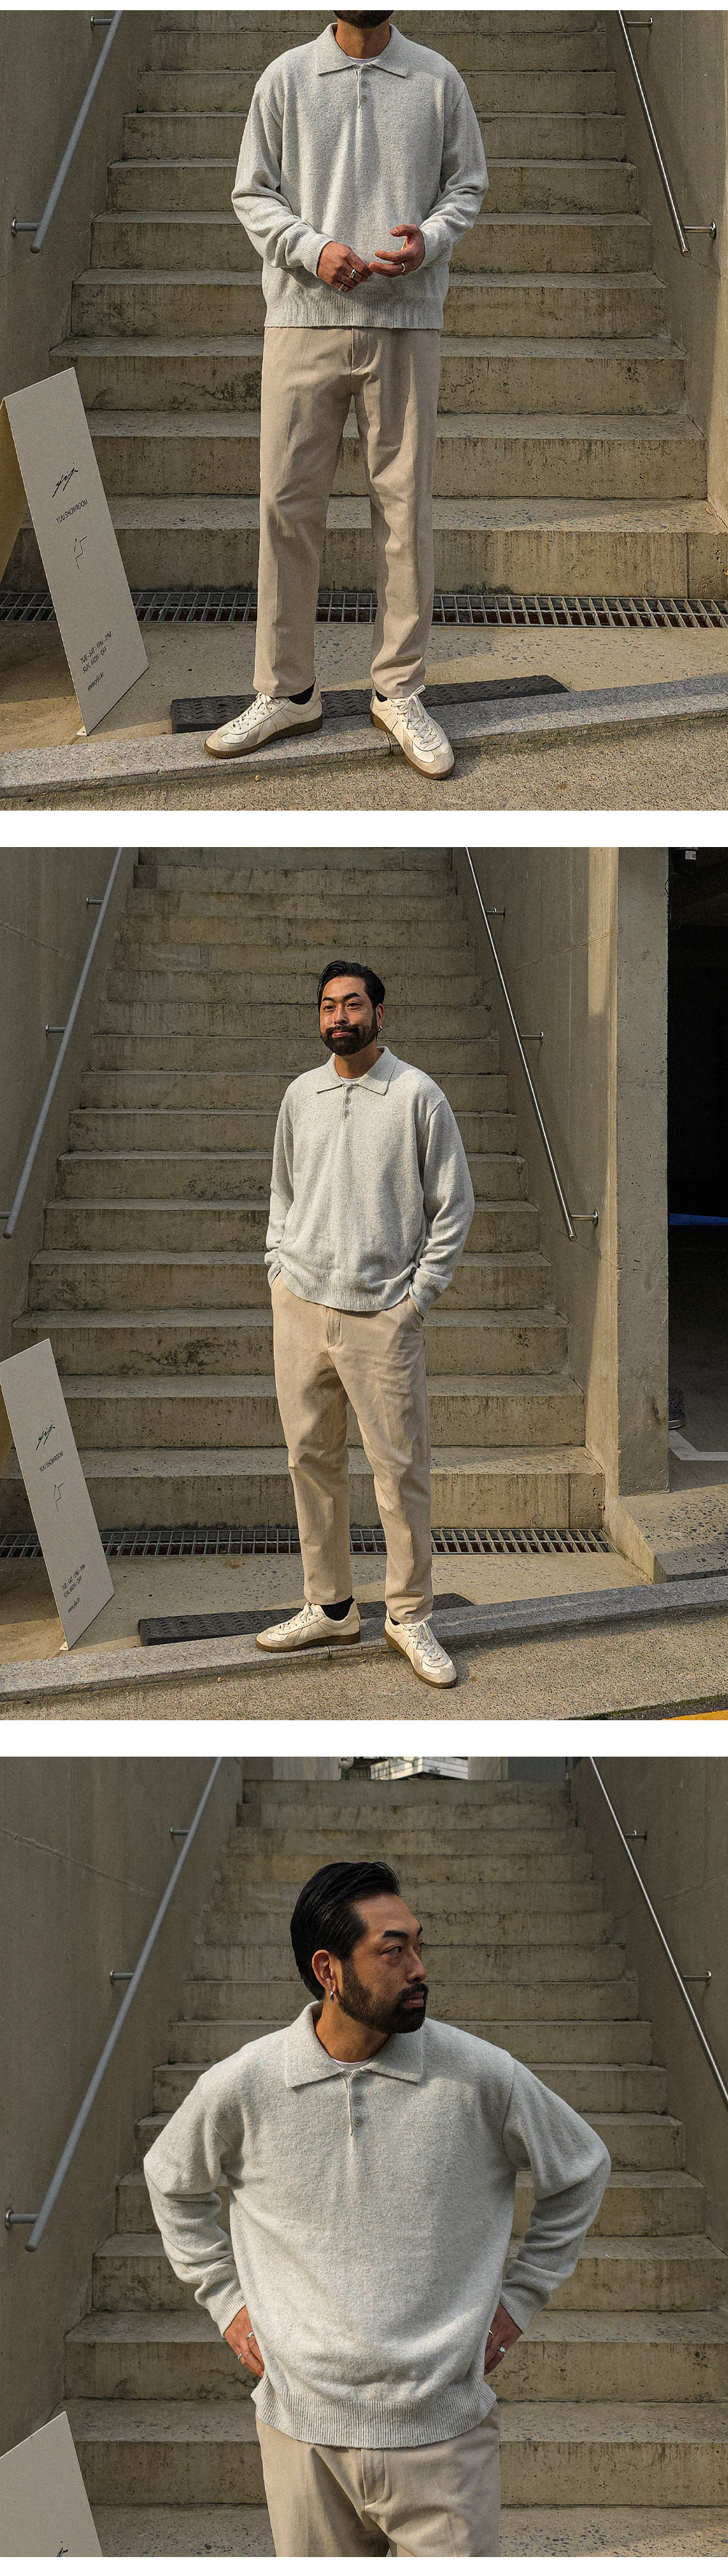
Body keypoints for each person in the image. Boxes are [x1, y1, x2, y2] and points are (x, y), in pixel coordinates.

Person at [144, 1857, 612, 2559]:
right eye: (393, 1952)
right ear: (328, 1970)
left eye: (419, 1945)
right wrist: (226, 2302)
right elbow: (171, 2180)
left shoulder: (481, 2075)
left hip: (444, 2438)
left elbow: (582, 2168)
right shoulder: (244, 2084)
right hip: (302, 2437)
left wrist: (519, 2300)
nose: (418, 1969)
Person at [204, 11, 487, 779]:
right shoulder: (286, 79)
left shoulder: (436, 80)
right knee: (285, 505)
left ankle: (399, 690)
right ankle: (287, 690)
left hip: (406, 321)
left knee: (404, 508)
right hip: (302, 319)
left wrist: (430, 238)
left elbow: (466, 184)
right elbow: (252, 192)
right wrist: (313, 248)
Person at [254, 958, 475, 1687]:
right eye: (328, 1006)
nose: (339, 1017)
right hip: (301, 1305)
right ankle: (330, 1606)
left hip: (381, 1315)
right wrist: (278, 1270)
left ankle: (408, 1615)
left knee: (400, 1470)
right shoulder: (301, 1095)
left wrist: (417, 1299)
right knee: (309, 1460)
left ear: (380, 1014)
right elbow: (283, 1190)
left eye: (352, 1005)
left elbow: (454, 1205)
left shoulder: (417, 1095)